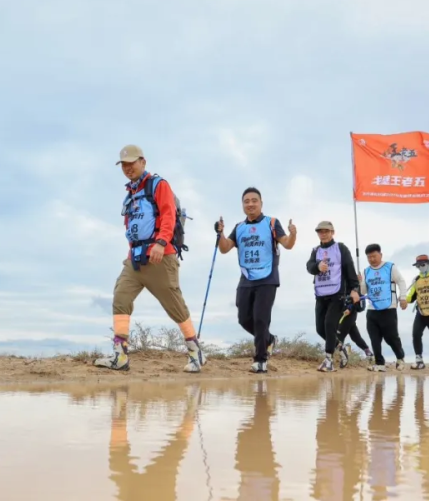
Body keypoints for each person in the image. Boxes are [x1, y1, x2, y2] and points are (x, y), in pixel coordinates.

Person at [94, 145, 205, 373]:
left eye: (131, 163)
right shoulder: (130, 194)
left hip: (160, 256)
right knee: (120, 297)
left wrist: (162, 242)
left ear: (143, 162)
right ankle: (120, 355)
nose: (128, 168)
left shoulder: (158, 184)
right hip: (135, 260)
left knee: (174, 304)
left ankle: (195, 351)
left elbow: (168, 213)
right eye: (124, 164)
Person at [215, 187, 296, 373]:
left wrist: (293, 234)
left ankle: (261, 360)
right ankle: (268, 339)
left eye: (254, 200)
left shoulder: (272, 223)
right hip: (246, 277)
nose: (250, 204)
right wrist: (220, 234)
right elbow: (225, 248)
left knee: (261, 318)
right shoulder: (240, 227)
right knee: (244, 318)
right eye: (246, 201)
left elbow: (288, 244)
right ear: (243, 204)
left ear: (261, 203)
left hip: (268, 278)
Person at [305, 221, 362, 372]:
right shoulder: (316, 250)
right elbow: (309, 266)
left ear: (332, 232)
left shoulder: (341, 248)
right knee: (320, 328)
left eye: (326, 231)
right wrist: (317, 267)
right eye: (320, 231)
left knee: (330, 324)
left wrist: (355, 289)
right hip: (321, 294)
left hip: (338, 294)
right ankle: (341, 348)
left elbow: (350, 268)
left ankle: (328, 360)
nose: (323, 234)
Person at [360, 244, 408, 372]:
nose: (372, 259)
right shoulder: (366, 271)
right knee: (374, 337)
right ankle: (379, 363)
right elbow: (363, 291)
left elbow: (401, 282)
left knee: (391, 337)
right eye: (369, 257)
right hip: (372, 309)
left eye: (374, 256)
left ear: (380, 255)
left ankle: (400, 358)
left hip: (388, 307)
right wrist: (360, 282)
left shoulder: (390, 267)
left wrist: (403, 297)